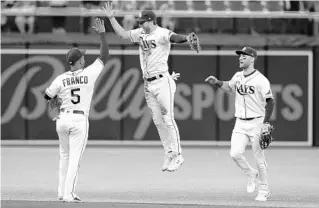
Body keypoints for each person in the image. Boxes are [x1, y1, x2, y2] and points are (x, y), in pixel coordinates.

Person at [102, 2, 197, 172]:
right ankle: (169, 152)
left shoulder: (161, 33)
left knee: (169, 118)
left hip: (162, 82)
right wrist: (111, 18)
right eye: (140, 22)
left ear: (152, 21)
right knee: (158, 121)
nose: (140, 24)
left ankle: (178, 155)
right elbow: (123, 34)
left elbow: (174, 37)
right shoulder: (140, 34)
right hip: (148, 84)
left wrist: (186, 38)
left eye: (143, 22)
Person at [44, 18, 108, 202]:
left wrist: (55, 102)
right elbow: (104, 56)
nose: (85, 59)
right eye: (83, 57)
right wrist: (102, 35)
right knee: (74, 159)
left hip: (62, 120)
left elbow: (47, 96)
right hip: (79, 121)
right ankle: (69, 194)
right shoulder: (88, 73)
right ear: (79, 62)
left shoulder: (61, 78)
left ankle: (61, 192)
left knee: (64, 157)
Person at [205, 47, 275, 201]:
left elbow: (271, 101)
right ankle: (250, 173)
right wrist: (216, 82)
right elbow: (229, 86)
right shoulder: (237, 76)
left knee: (259, 158)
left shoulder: (261, 80)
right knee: (235, 153)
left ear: (252, 59)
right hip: (240, 123)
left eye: (244, 56)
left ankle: (264, 189)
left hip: (257, 121)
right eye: (240, 56)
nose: (240, 58)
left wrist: (266, 123)